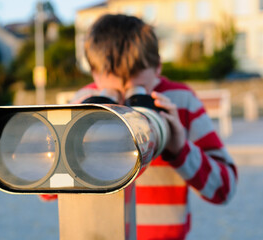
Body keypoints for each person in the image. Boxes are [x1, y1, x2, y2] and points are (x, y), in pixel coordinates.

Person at [44, 14, 238, 240]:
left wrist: (180, 149)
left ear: (158, 67)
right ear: (95, 74)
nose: (127, 101)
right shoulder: (83, 102)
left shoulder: (181, 102)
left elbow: (224, 188)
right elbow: (48, 192)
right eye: (115, 93)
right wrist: (76, 137)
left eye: (139, 91)